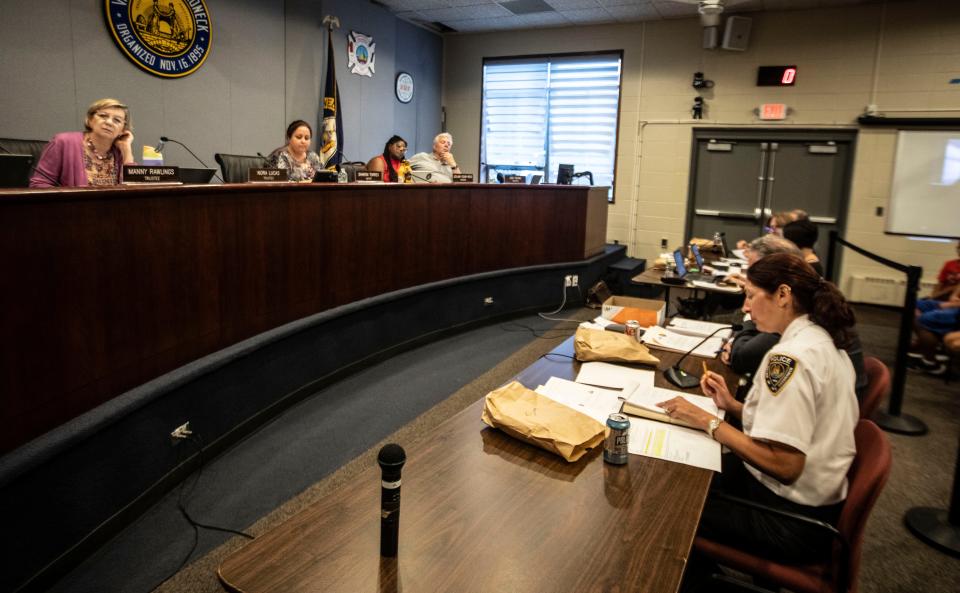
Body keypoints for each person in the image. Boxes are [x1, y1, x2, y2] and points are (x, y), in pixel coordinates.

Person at [659, 253, 859, 564]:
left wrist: (707, 421)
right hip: (811, 503)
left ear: (783, 295)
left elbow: (786, 467)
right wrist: (733, 406)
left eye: (751, 296)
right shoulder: (823, 341)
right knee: (689, 476)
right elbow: (798, 426)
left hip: (787, 521)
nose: (746, 308)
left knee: (671, 502)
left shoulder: (790, 358)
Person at [30, 98, 136, 188]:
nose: (108, 122)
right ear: (89, 119)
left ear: (123, 129)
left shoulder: (119, 152)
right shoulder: (62, 142)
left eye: (117, 120)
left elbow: (134, 190)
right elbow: (39, 184)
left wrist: (126, 150)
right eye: (103, 116)